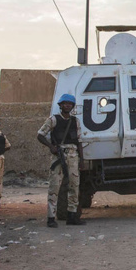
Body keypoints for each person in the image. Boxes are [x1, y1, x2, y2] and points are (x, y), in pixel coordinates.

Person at [37, 93, 86, 227]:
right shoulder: (53, 120)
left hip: (73, 157)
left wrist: (82, 160)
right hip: (58, 157)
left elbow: (79, 141)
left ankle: (72, 216)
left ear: (72, 106)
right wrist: (51, 146)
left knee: (74, 186)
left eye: (69, 104)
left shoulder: (75, 121)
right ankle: (51, 218)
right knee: (55, 187)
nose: (67, 106)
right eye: (65, 103)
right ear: (60, 105)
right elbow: (40, 135)